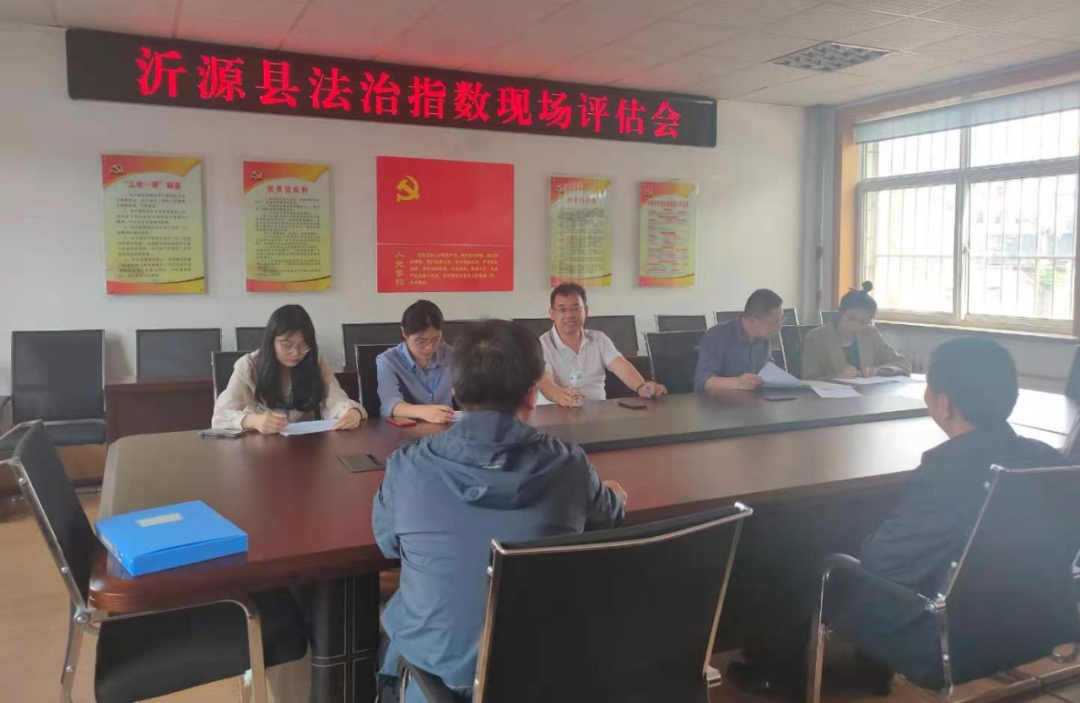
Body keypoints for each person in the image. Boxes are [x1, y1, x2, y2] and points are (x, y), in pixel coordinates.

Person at [727, 337, 1066, 696]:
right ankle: (869, 671)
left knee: (793, 555)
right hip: (1039, 619)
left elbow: (883, 563)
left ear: (944, 403)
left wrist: (867, 535)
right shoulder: (1050, 460)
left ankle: (779, 678)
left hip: (941, 635)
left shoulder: (945, 468)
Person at [373, 319, 627, 702]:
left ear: (455, 391)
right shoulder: (570, 468)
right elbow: (608, 517)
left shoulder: (407, 467)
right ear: (532, 395)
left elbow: (388, 544)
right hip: (543, 678)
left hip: (436, 679)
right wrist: (616, 495)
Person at [212, 304, 365, 433]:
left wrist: (351, 412)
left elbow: (335, 398)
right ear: (271, 341)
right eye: (287, 345)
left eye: (303, 345)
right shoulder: (249, 366)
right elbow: (220, 416)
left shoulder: (315, 362)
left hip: (305, 445)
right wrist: (252, 421)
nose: (296, 353)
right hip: (260, 447)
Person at [537, 283, 666, 406]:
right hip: (556, 412)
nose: (569, 315)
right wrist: (559, 395)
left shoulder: (599, 339)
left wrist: (641, 387)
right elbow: (544, 381)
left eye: (575, 308)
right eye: (562, 309)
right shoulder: (542, 344)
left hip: (597, 411)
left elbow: (620, 365)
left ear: (586, 311)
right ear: (552, 314)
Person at [801, 282, 911, 380]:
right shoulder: (816, 338)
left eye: (863, 322)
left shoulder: (870, 334)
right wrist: (836, 377)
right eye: (851, 318)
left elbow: (903, 364)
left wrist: (878, 371)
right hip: (830, 396)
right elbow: (809, 379)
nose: (855, 326)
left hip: (867, 394)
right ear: (841, 313)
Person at [376, 300, 456, 424]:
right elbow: (389, 405)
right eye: (421, 342)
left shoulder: (452, 356)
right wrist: (424, 412)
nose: (429, 347)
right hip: (406, 430)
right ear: (404, 333)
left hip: (446, 426)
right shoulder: (388, 361)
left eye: (436, 340)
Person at [694, 289, 783, 392]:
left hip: (756, 400)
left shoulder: (763, 338)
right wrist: (737, 382)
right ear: (752, 321)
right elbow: (703, 381)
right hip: (722, 400)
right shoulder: (717, 336)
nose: (779, 328)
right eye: (775, 323)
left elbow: (768, 370)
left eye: (781, 321)